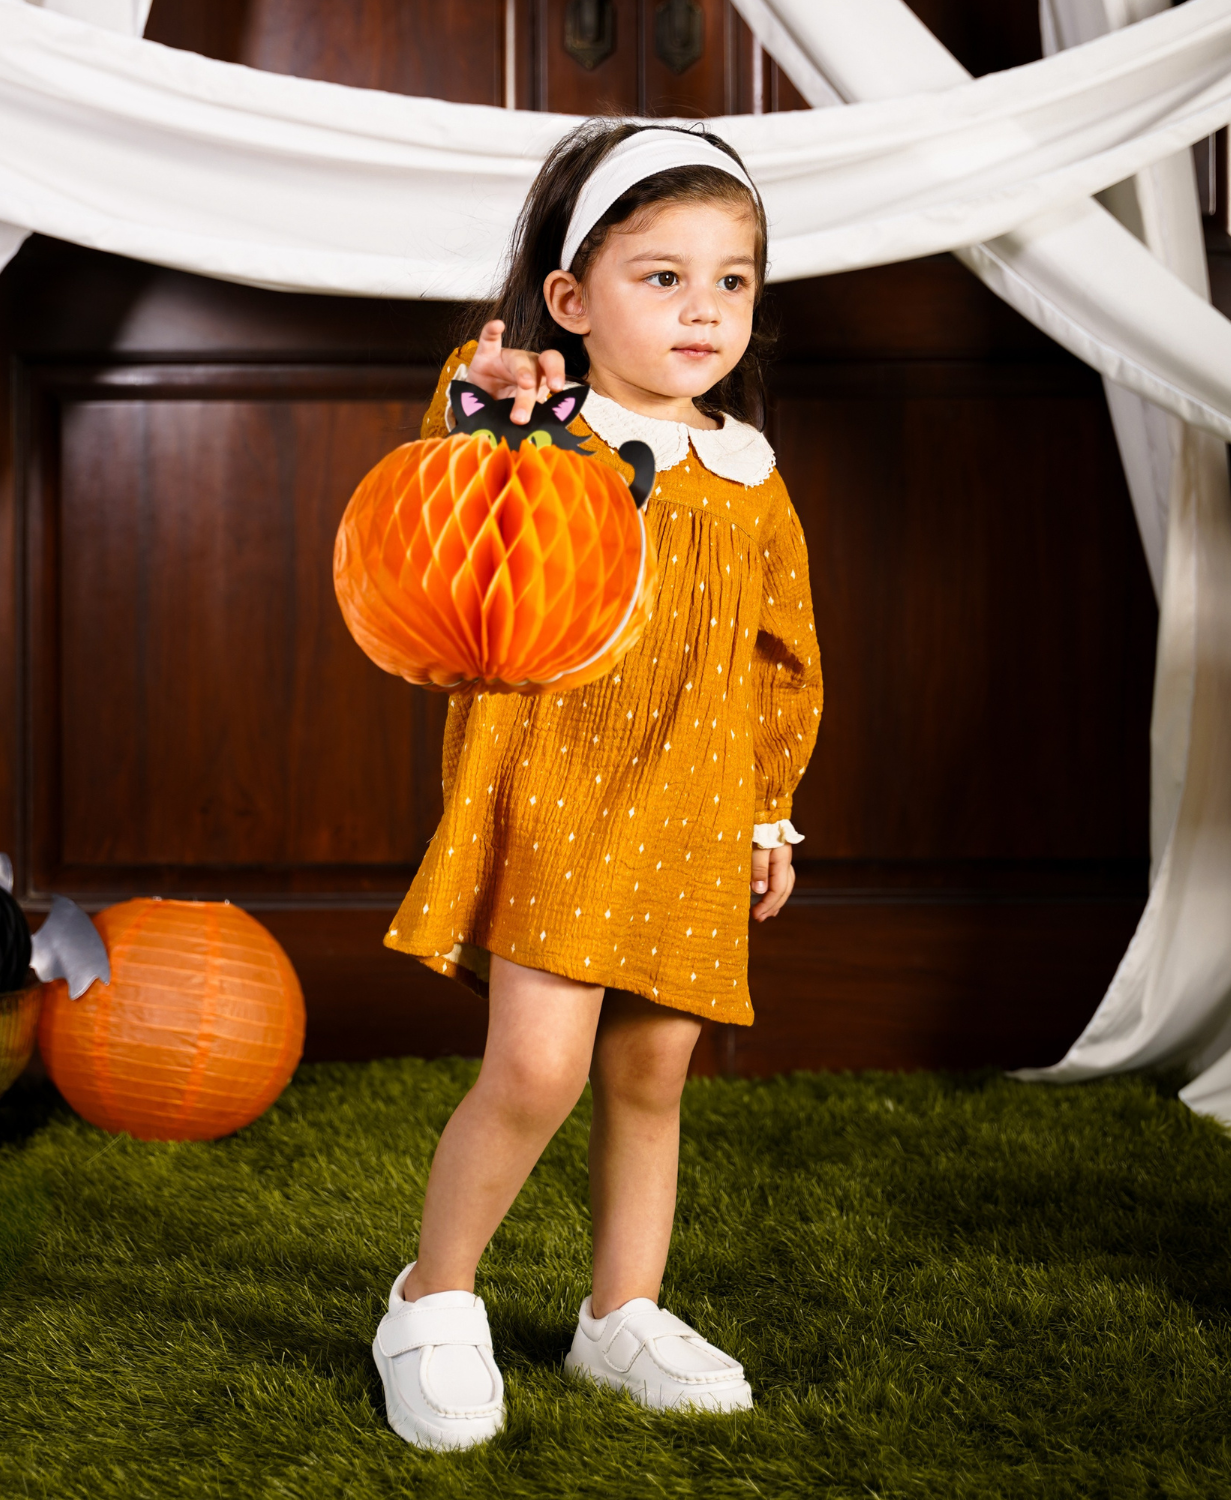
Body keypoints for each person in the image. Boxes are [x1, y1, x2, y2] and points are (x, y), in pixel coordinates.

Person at [372, 118, 822, 1450]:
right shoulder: (543, 428)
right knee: (536, 1067)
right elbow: (463, 489)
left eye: (731, 280)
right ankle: (432, 1299)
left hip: (689, 806)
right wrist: (494, 395)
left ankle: (620, 1312)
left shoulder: (750, 475)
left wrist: (764, 803)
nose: (704, 310)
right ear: (572, 297)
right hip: (564, 786)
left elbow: (782, 652)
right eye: (662, 276)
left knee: (651, 1071)